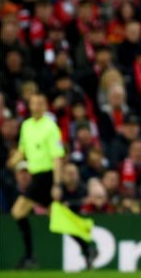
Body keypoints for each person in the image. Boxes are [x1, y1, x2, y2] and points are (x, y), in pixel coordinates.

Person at [7, 94, 93, 269]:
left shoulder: (50, 127)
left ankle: (30, 257)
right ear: (30, 106)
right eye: (34, 103)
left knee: (18, 212)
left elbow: (57, 156)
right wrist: (11, 161)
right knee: (55, 217)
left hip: (46, 176)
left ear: (45, 106)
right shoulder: (26, 125)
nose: (37, 106)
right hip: (36, 175)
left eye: (40, 103)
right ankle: (87, 247)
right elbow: (23, 150)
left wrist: (57, 184)